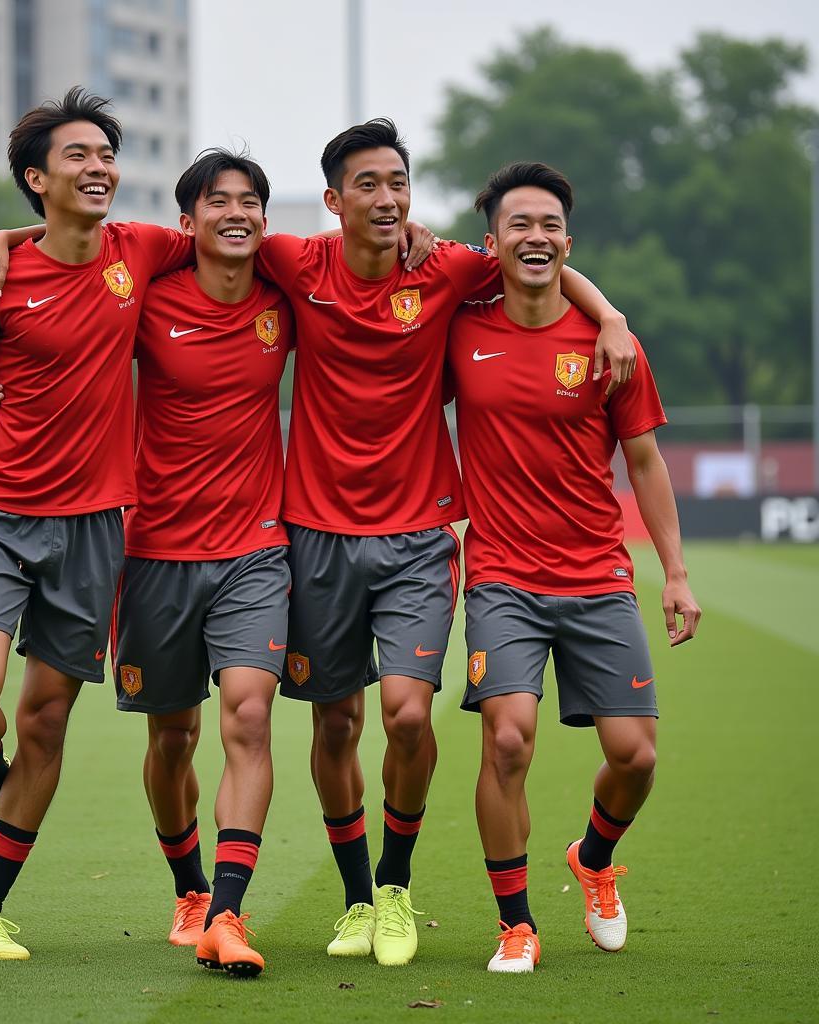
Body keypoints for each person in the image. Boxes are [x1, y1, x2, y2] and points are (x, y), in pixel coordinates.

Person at [251, 119, 637, 967]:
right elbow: (190, 245)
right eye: (368, 184)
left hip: (422, 538)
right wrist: (2, 238)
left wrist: (608, 314)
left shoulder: (448, 268)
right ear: (332, 200)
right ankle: (357, 898)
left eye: (399, 182)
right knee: (336, 725)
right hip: (313, 534)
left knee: (409, 714)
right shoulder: (295, 263)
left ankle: (393, 884)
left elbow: (536, 259)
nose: (388, 198)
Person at [0, 88, 193, 961]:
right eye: (79, 157)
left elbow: (240, 241)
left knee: (46, 724)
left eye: (106, 156)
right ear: (36, 178)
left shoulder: (145, 249)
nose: (100, 169)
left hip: (97, 530)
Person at [0, 149, 294, 978]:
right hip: (152, 550)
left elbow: (388, 270)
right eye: (218, 202)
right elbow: (65, 256)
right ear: (184, 224)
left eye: (251, 202)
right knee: (173, 738)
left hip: (258, 549)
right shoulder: (146, 290)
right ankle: (189, 887)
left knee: (249, 719)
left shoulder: (284, 294)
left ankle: (226, 910)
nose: (238, 213)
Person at [446, 161, 701, 974]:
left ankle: (592, 860)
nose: (537, 237)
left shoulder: (610, 345)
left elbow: (647, 462)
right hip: (500, 576)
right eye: (520, 224)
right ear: (492, 243)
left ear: (568, 239)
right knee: (509, 741)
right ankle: (515, 924)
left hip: (596, 575)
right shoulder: (462, 324)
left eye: (551, 225)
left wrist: (677, 573)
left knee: (637, 757)